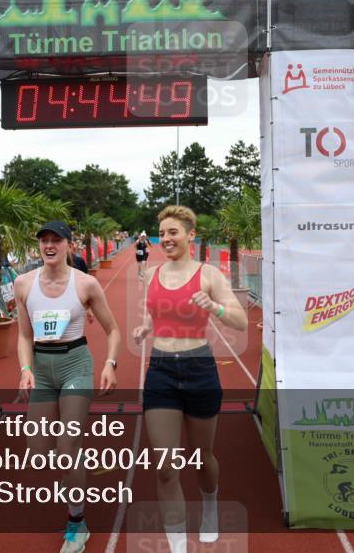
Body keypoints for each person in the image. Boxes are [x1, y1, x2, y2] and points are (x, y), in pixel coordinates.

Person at [133, 206, 248, 553]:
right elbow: (153, 313)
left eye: (173, 232)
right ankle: (179, 546)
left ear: (190, 235)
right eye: (162, 234)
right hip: (161, 371)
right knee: (165, 467)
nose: (166, 239)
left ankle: (210, 506)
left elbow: (241, 321)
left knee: (202, 457)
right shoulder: (152, 274)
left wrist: (215, 307)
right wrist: (146, 328)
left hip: (199, 369)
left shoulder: (208, 275)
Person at [15, 220, 121, 553]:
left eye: (56, 240)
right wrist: (25, 369)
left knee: (66, 449)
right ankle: (75, 456)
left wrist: (110, 363)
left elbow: (113, 330)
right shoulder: (23, 283)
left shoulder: (86, 284)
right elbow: (24, 335)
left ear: (68, 246)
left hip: (75, 364)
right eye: (44, 240)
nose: (49, 245)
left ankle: (77, 523)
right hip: (42, 369)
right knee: (37, 452)